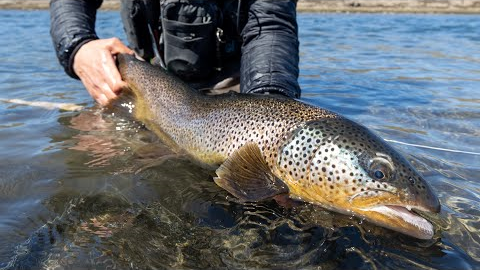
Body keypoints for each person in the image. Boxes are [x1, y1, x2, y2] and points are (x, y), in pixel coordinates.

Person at [50, 0, 301, 106]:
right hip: (144, 76)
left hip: (238, 84)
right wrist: (78, 46)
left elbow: (271, 24)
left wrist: (270, 102)